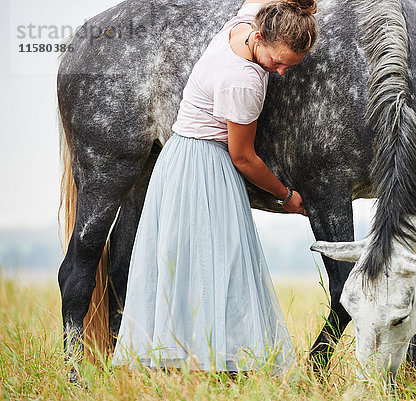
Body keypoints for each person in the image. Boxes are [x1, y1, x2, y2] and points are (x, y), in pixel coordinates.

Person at [111, 0, 318, 372]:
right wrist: (286, 195)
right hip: (204, 167)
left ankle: (186, 358)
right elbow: (244, 158)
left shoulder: (239, 28)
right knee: (216, 264)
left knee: (186, 263)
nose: (282, 72)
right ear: (260, 38)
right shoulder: (244, 81)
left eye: (291, 65)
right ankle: (207, 362)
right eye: (278, 61)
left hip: (178, 157)